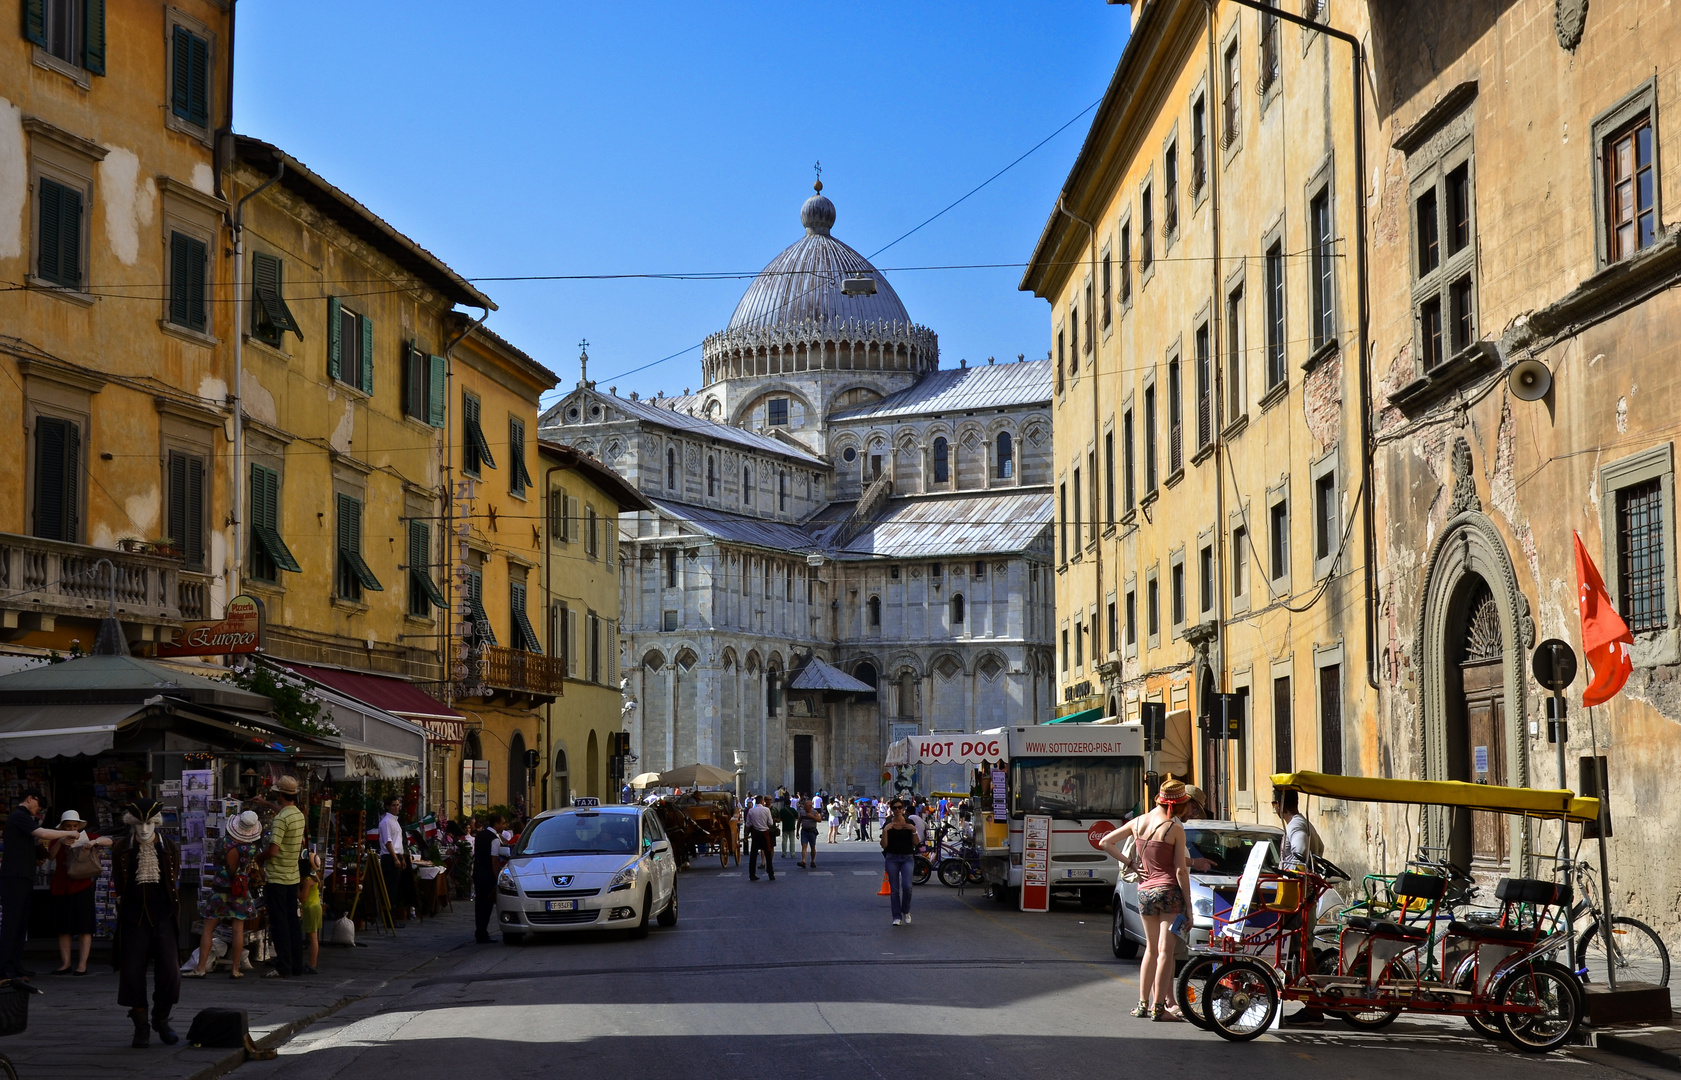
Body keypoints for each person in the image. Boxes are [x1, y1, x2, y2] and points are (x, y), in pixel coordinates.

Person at [1098, 777, 1193, 1021]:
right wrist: (1189, 907)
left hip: (1145, 892)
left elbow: (1105, 842)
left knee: (1150, 949)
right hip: (1169, 892)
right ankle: (1159, 1009)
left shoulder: (1138, 822)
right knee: (1165, 952)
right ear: (1177, 805)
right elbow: (1181, 870)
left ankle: (1142, 1004)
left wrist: (1130, 862)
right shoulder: (1175, 829)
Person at [112, 798, 182, 1048]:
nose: (144, 829)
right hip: (133, 918)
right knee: (132, 972)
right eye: (139, 824)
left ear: (157, 823)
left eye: (149, 823)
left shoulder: (169, 847)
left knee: (171, 972)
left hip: (163, 916)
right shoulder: (122, 849)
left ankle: (161, 1019)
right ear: (131, 824)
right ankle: (140, 1026)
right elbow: (119, 883)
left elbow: (173, 881)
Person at [0, 789, 78, 982]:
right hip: (14, 877)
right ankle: (4, 968)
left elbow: (35, 844)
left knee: (20, 924)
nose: (39, 809)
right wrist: (69, 832)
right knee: (12, 924)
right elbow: (42, 833)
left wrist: (40, 854)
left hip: (24, 876)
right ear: (30, 799)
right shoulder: (19, 816)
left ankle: (15, 965)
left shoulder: (25, 820)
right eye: (39, 805)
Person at [1272, 787, 1325, 1026]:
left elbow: (1301, 851)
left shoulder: (1296, 825)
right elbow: (1320, 848)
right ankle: (1310, 1003)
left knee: (1302, 946)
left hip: (1301, 895)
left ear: (1277, 804)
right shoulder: (1302, 823)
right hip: (1302, 893)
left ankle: (1314, 1008)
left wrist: (1287, 872)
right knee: (1299, 947)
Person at [188, 810, 261, 979]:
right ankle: (235, 969)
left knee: (208, 929)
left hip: (220, 891)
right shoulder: (250, 849)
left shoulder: (222, 843)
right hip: (240, 893)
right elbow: (247, 869)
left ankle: (200, 968)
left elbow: (215, 862)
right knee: (238, 930)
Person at [48, 810, 111, 976]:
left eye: (74, 826)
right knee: (63, 928)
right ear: (62, 827)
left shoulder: (85, 835)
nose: (72, 829)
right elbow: (51, 856)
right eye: (68, 826)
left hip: (82, 885)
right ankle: (65, 963)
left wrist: (94, 842)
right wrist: (61, 841)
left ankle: (82, 964)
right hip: (61, 887)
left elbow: (109, 841)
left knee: (84, 927)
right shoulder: (56, 838)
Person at [256, 775, 307, 978]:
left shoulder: (281, 819)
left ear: (280, 794)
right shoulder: (298, 815)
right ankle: (296, 964)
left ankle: (284, 966)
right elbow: (284, 814)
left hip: (277, 877)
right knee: (292, 922)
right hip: (292, 876)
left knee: (279, 924)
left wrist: (259, 859)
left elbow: (273, 850)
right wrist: (267, 804)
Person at [880, 800, 917, 926]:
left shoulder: (909, 822)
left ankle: (906, 911)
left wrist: (913, 830)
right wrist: (885, 831)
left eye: (899, 807)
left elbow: (916, 843)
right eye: (894, 808)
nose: (897, 810)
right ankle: (896, 917)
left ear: (903, 809)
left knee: (907, 887)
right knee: (894, 890)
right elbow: (884, 845)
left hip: (907, 857)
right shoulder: (888, 823)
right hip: (892, 858)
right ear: (891, 809)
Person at [378, 796, 408, 929]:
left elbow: (397, 842)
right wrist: (395, 858)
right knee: (389, 889)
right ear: (387, 806)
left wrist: (401, 858)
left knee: (395, 889)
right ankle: (388, 919)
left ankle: (392, 916)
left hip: (396, 855)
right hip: (389, 857)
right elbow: (388, 841)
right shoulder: (386, 822)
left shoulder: (395, 821)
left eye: (397, 805)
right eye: (394, 805)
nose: (397, 807)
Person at [473, 812, 503, 943]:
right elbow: (494, 860)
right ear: (496, 824)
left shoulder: (480, 835)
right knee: (487, 905)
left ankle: (479, 931)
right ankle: (482, 933)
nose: (504, 825)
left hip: (478, 872)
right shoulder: (494, 839)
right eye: (502, 823)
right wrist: (497, 878)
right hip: (488, 875)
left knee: (479, 904)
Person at [299, 852, 322, 974]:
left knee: (313, 938)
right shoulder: (315, 878)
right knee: (313, 937)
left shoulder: (308, 880)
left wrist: (296, 889)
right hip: (316, 907)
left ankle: (312, 964)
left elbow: (302, 898)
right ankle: (312, 963)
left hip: (310, 908)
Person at [745, 796, 775, 881]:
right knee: (768, 854)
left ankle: (752, 874)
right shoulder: (766, 810)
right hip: (764, 833)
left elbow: (747, 824)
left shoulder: (751, 811)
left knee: (753, 855)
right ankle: (770, 874)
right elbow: (770, 823)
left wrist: (746, 834)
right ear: (762, 801)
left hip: (755, 833)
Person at [796, 798, 820, 868]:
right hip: (804, 831)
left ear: (810, 806)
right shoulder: (802, 812)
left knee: (813, 847)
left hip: (812, 831)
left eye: (806, 806)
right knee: (804, 846)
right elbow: (799, 821)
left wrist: (812, 816)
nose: (804, 807)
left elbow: (819, 820)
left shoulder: (814, 812)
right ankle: (803, 861)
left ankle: (812, 861)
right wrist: (797, 831)